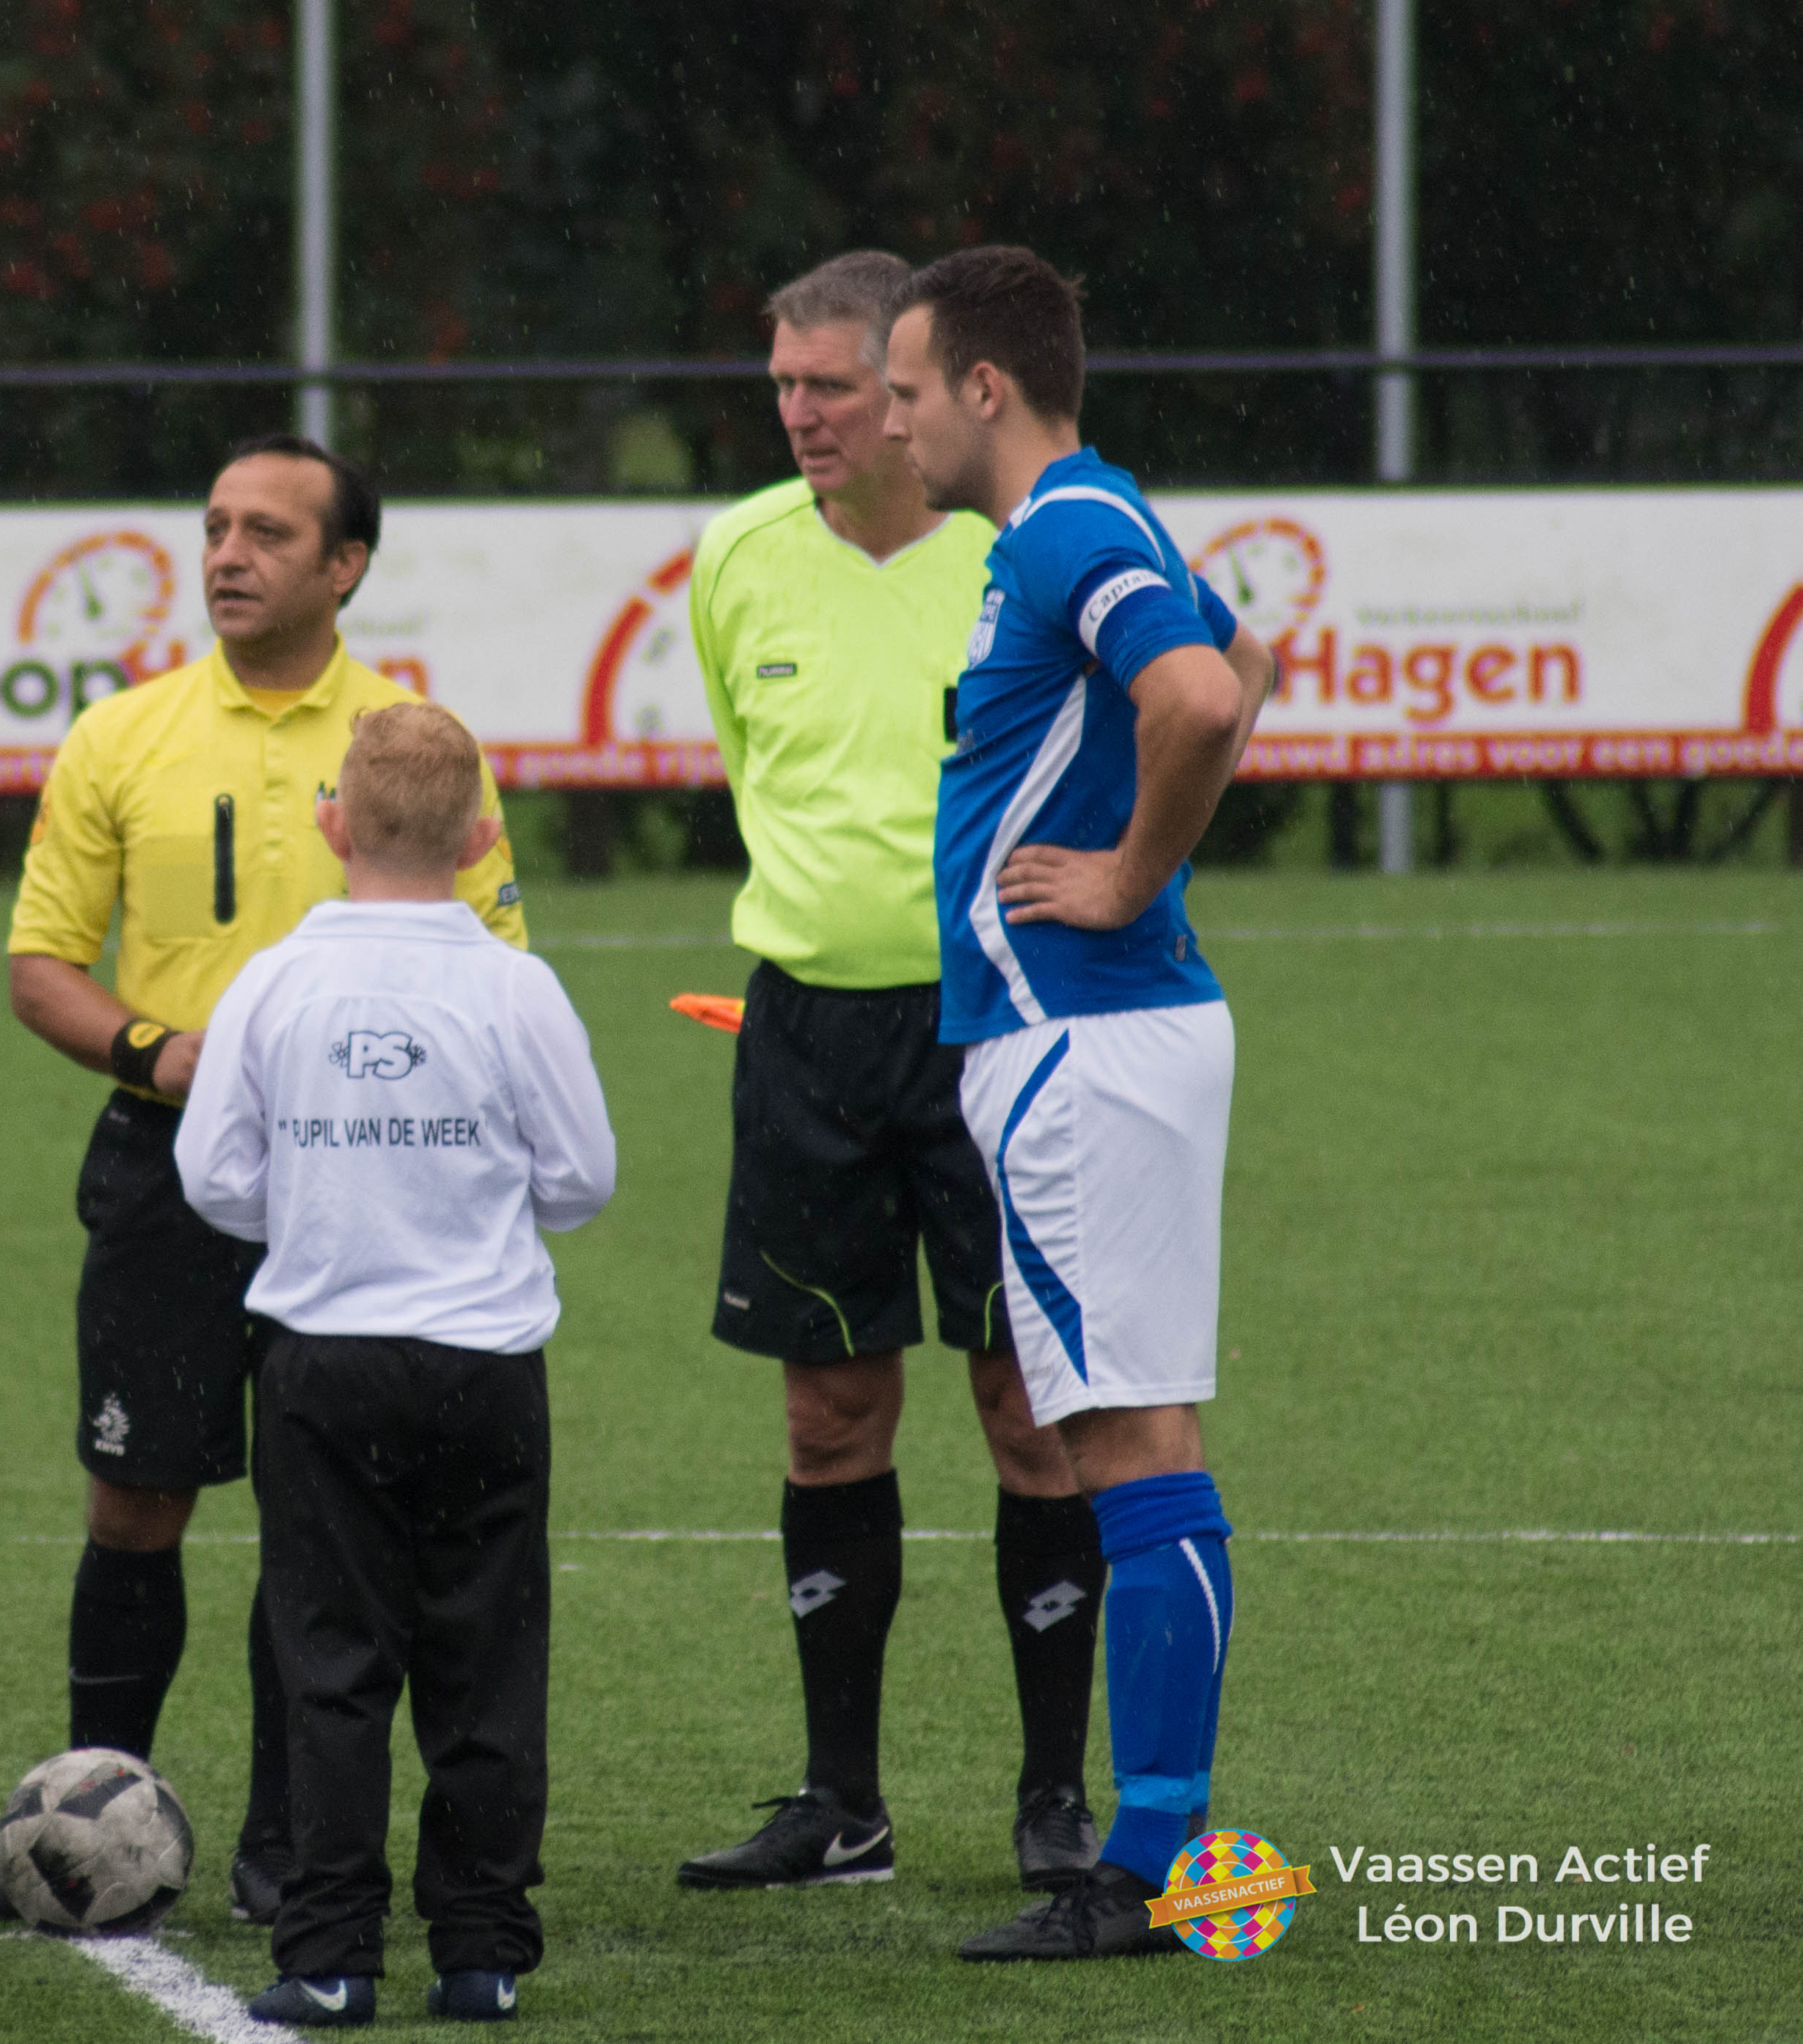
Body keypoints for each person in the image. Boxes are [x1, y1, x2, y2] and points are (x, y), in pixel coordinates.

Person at [0, 435, 531, 1930]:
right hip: (166, 1163)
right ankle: (84, 1821)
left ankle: (293, 1847)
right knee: (134, 1495)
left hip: (358, 1173)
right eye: (212, 526)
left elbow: (499, 970)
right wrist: (163, 1055)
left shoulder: (415, 748)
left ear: (342, 567)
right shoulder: (122, 732)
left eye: (267, 531)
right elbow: (35, 969)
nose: (226, 553)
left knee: (315, 1524)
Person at [671, 253, 1107, 1902]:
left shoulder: (1019, 550)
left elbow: (1188, 691)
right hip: (802, 1037)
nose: (798, 416)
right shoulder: (732, 557)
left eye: (831, 389)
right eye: (778, 387)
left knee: (1027, 1410)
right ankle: (837, 1803)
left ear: (908, 388)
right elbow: (754, 767)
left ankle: (1051, 1799)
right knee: (826, 1409)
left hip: (993, 1027)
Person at [879, 245, 1275, 1961]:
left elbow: (1196, 693)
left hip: (1077, 1039)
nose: (885, 425)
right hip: (1100, 1038)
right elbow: (1238, 658)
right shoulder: (1087, 523)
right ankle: (1154, 1846)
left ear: (982, 387)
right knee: (1131, 1437)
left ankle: (1142, 1865)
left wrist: (1121, 874)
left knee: (1123, 1449)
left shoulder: (1058, 524)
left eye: (900, 390)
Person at [176, 701, 616, 2030]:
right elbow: (583, 1179)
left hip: (321, 1359)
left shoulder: (271, 980)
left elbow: (212, 1175)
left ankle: (329, 1955)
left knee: (333, 1660)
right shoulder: (512, 982)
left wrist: (319, 1208)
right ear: (485, 836)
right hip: (484, 1364)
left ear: (330, 826)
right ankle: (479, 1951)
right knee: (488, 1654)